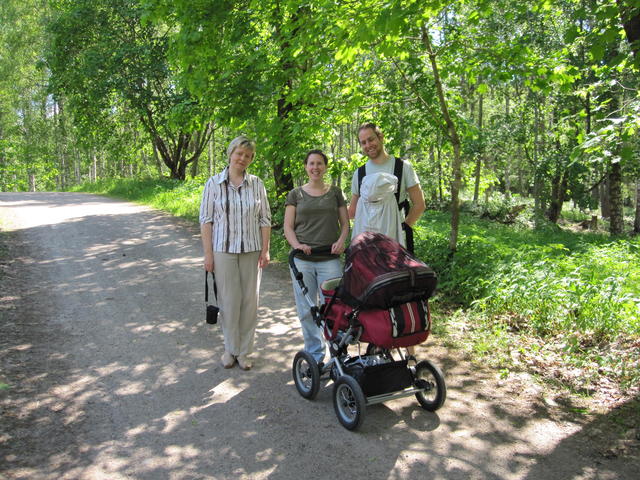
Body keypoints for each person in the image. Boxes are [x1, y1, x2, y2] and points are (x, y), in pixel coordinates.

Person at [199, 135, 271, 371]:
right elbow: (206, 220)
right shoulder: (213, 184)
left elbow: (265, 219)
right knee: (229, 302)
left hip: (252, 250)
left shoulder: (257, 184)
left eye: (248, 156)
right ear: (230, 154)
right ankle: (230, 349)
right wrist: (208, 254)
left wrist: (266, 250)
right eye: (239, 153)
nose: (243, 159)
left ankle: (245, 352)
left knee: (250, 303)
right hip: (223, 250)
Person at [284, 149, 349, 364]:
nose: (315, 168)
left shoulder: (335, 192)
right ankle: (314, 355)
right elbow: (288, 227)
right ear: (306, 166)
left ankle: (338, 354)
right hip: (302, 261)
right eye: (311, 163)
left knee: (336, 309)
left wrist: (341, 241)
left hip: (329, 260)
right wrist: (297, 246)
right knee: (307, 310)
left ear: (325, 166)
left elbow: (345, 224)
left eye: (319, 163)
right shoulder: (295, 194)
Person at [347, 122, 426, 253]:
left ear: (381, 137)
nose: (368, 145)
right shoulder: (359, 173)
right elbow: (353, 211)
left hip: (394, 240)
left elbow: (419, 204)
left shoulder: (403, 167)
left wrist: (403, 228)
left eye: (371, 139)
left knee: (395, 274)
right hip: (366, 243)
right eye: (363, 142)